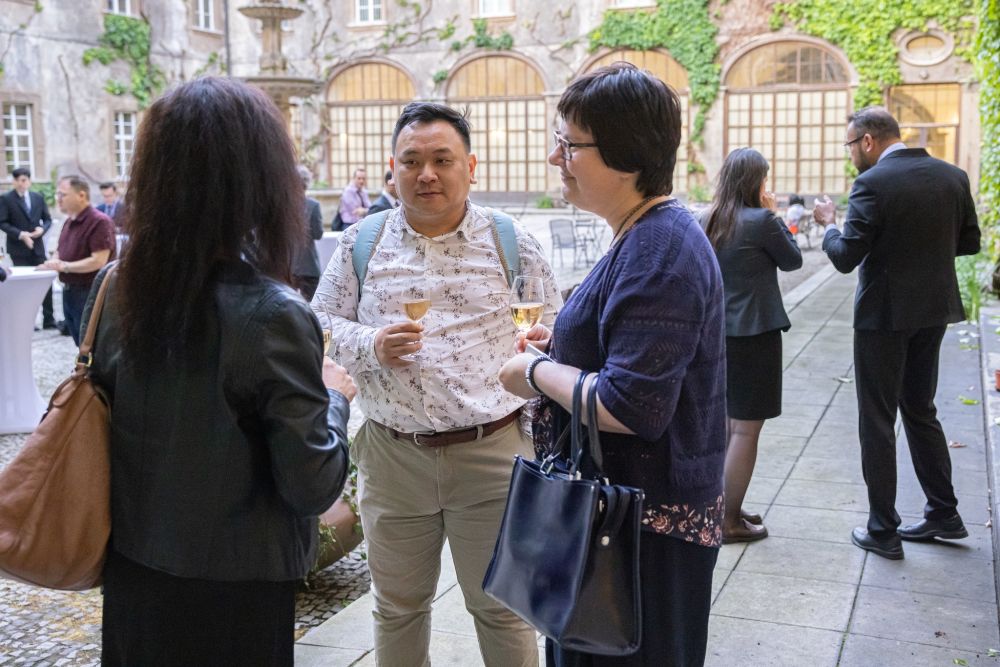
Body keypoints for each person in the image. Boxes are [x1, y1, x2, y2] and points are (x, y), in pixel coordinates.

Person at [81, 76, 356, 666]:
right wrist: (335, 396)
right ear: (261, 181)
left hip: (133, 569)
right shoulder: (274, 314)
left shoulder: (116, 289)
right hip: (236, 591)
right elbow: (312, 485)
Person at [312, 101, 561, 667]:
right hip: (393, 455)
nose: (426, 174)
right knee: (397, 608)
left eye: (442, 160)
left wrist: (542, 347)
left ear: (470, 167)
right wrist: (371, 344)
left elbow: (556, 325)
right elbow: (317, 323)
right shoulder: (361, 242)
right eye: (411, 161)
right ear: (392, 169)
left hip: (493, 453)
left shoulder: (510, 240)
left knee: (502, 608)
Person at [499, 62, 726, 666]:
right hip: (619, 525)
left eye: (570, 145)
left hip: (640, 539)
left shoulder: (659, 250)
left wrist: (534, 374)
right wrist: (563, 348)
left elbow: (631, 406)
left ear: (626, 156)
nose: (556, 158)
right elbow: (632, 349)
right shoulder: (644, 233)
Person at [813, 106, 981, 560]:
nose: (850, 154)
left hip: (883, 316)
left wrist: (829, 224)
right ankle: (944, 512)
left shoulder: (872, 183)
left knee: (877, 419)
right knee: (921, 410)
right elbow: (969, 243)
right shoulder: (952, 176)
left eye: (850, 145)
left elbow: (845, 256)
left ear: (867, 141)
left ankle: (883, 530)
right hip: (933, 310)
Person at [703, 147, 802, 544]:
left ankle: (723, 507)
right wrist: (772, 212)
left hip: (716, 334)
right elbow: (793, 260)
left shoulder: (708, 218)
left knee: (727, 426)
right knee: (746, 430)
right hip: (755, 333)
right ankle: (727, 521)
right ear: (756, 181)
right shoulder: (762, 220)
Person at [39, 176, 116, 345]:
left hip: (90, 292)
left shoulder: (99, 221)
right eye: (58, 194)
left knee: (93, 345)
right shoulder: (69, 222)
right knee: (79, 343)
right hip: (70, 291)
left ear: (81, 195)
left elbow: (98, 261)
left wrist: (64, 266)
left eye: (63, 194)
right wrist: (53, 261)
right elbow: (60, 251)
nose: (58, 199)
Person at [0, 167, 57, 329]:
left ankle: (49, 318)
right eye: (17, 180)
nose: (20, 183)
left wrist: (42, 229)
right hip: (18, 248)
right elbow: (2, 222)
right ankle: (27, 320)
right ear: (13, 181)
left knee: (45, 281)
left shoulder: (37, 197)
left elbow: (47, 219)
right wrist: (21, 234)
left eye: (23, 180)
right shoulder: (6, 199)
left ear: (29, 181)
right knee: (23, 285)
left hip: (37, 247)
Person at [292, 165, 324, 300]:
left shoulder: (285, 205)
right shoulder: (313, 205)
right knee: (310, 305)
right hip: (308, 265)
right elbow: (318, 234)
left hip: (289, 264)